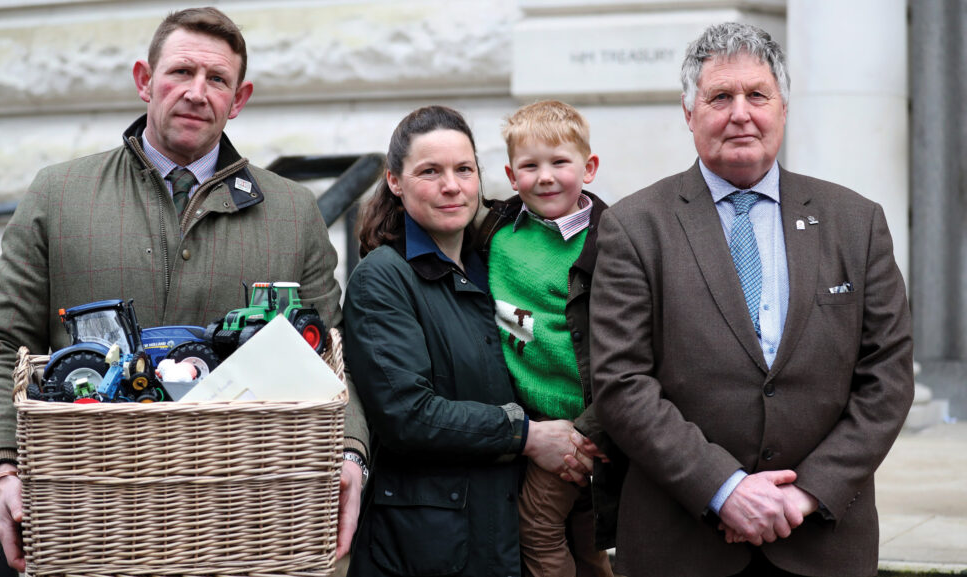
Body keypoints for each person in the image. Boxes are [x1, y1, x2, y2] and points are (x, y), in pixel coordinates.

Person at [0, 7, 369, 572]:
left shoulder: (292, 212)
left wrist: (350, 455)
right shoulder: (58, 194)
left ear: (240, 98)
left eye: (218, 80)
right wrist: (4, 467)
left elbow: (334, 356)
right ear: (144, 81)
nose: (196, 93)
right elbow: (0, 345)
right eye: (180, 72)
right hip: (85, 516)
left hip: (241, 522)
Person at [589, 22, 914, 577]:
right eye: (720, 96)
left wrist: (807, 494)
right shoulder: (634, 226)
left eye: (757, 95)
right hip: (682, 541)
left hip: (823, 539)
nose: (741, 112)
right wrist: (724, 488)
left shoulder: (856, 222)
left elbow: (887, 377)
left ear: (783, 109)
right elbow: (621, 382)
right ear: (690, 114)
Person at [343, 105, 587, 577]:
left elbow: (535, 355)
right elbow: (406, 414)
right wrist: (528, 436)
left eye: (463, 170)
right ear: (395, 181)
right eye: (430, 172)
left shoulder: (495, 266)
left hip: (502, 528)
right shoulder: (384, 278)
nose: (451, 186)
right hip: (423, 547)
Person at [476, 99, 621, 577]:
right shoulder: (497, 232)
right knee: (582, 534)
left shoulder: (611, 241)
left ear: (589, 167)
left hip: (582, 422)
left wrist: (592, 429)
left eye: (560, 162)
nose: (545, 177)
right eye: (530, 165)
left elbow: (632, 344)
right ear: (510, 174)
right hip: (529, 417)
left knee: (537, 527)